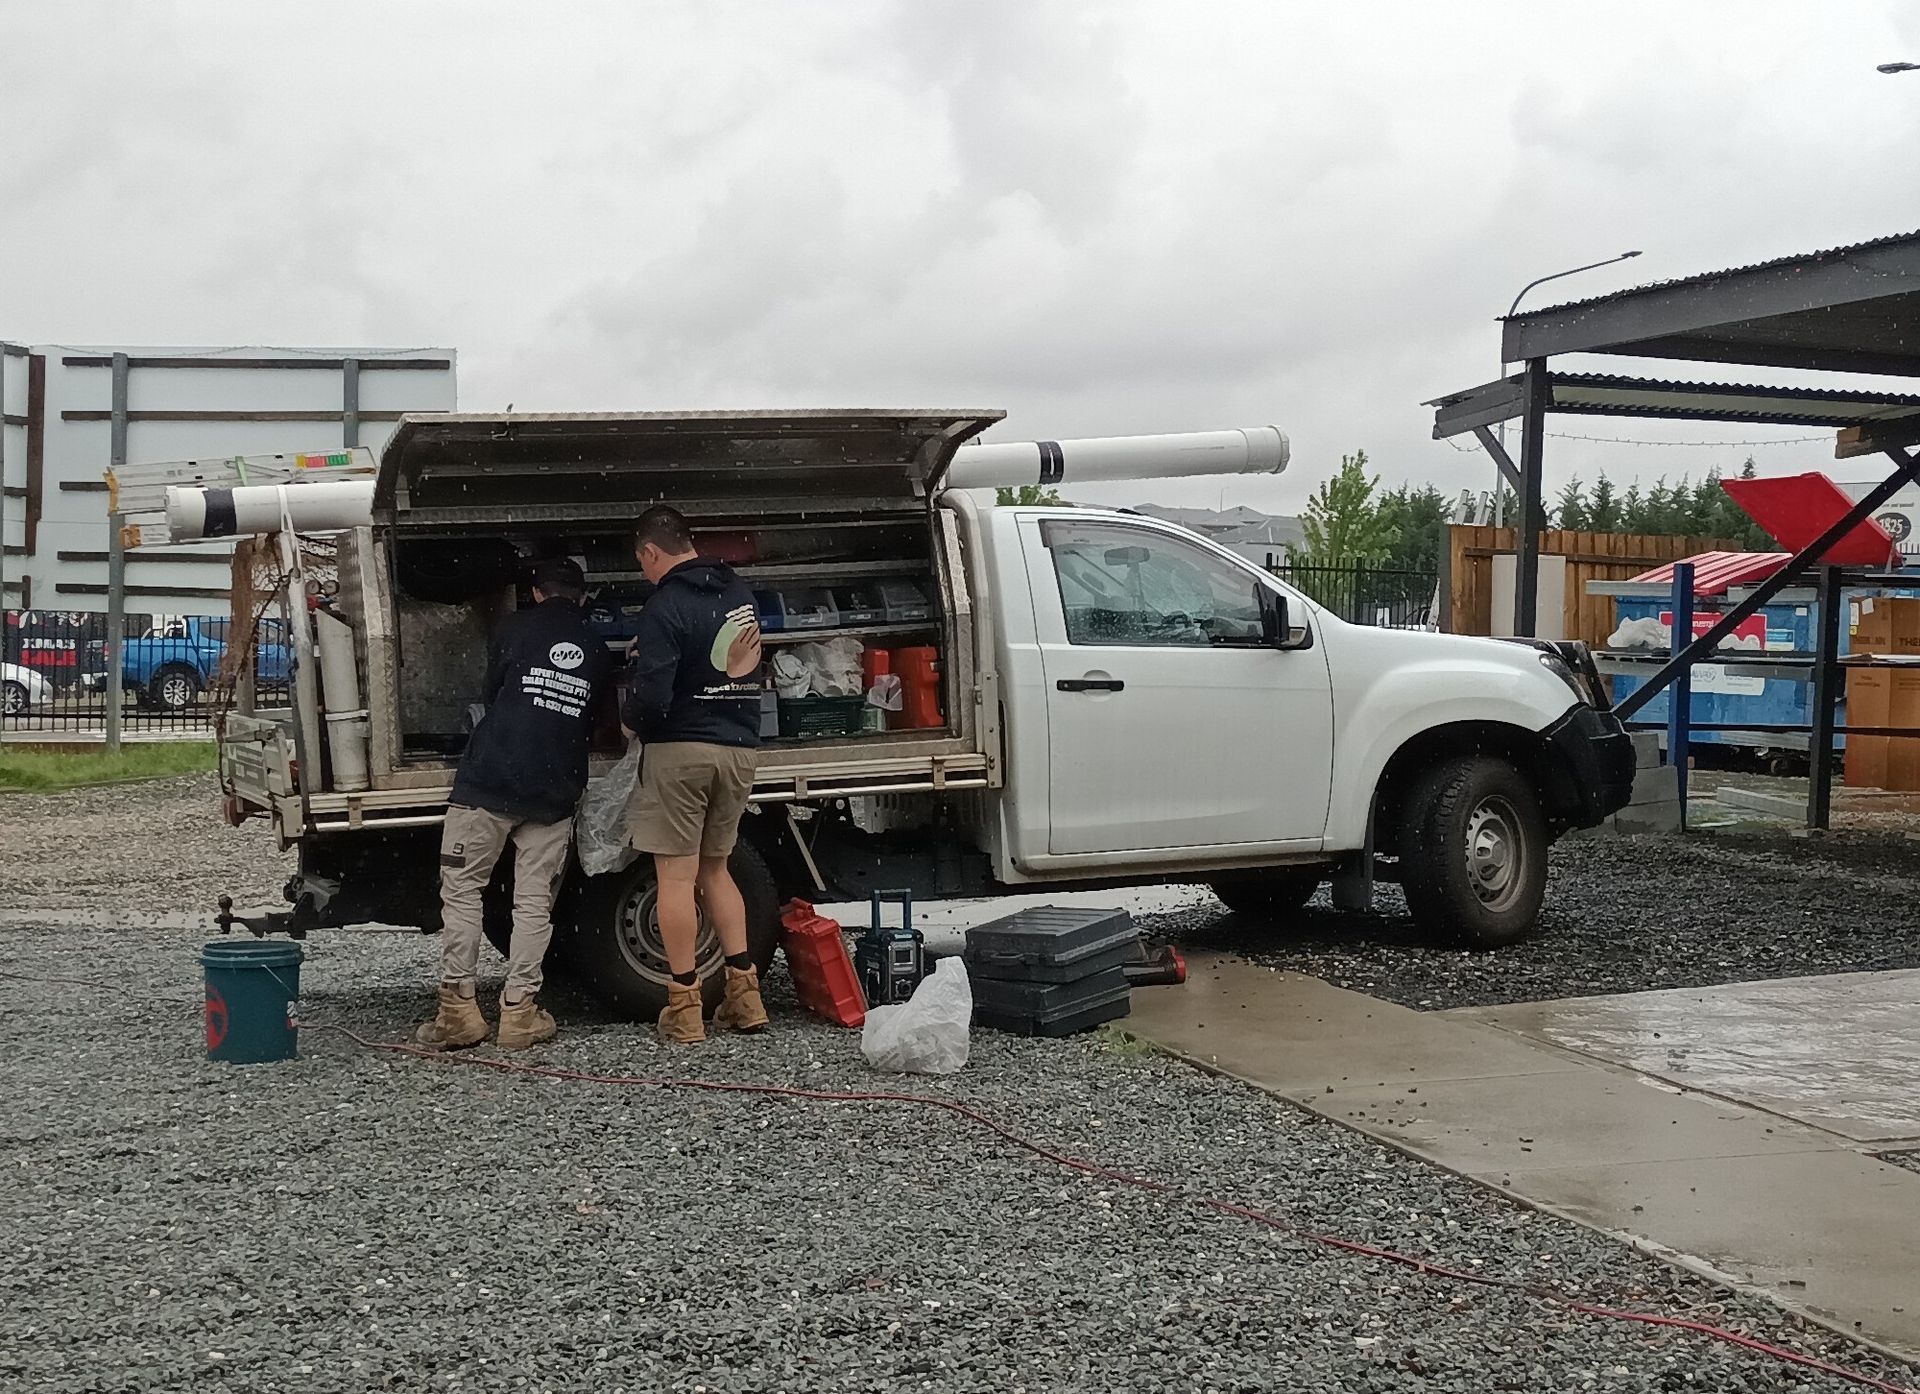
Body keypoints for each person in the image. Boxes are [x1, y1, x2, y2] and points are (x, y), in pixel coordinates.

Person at [416, 556, 613, 1051]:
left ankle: (458, 1012)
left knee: (463, 891)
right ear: (582, 598)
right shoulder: (596, 645)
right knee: (533, 901)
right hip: (555, 787)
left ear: (537, 592)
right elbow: (599, 720)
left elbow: (493, 692)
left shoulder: (513, 628)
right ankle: (519, 1012)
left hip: (491, 778)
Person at [622, 504, 768, 1043]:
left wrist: (629, 717)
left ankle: (685, 1008)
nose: (644, 571)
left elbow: (653, 697)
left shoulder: (665, 605)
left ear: (651, 551)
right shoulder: (739, 595)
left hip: (681, 751)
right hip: (738, 748)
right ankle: (745, 997)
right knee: (717, 870)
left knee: (676, 878)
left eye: (642, 561)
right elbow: (741, 665)